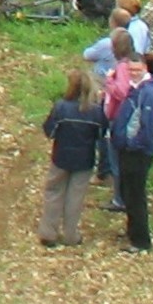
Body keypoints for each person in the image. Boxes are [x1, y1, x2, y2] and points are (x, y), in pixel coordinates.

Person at [39, 63, 107, 246]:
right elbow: (101, 135)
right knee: (75, 197)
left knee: (54, 192)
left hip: (61, 157)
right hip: (84, 160)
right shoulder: (96, 112)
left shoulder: (61, 107)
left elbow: (49, 131)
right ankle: (71, 235)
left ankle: (48, 233)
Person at [107, 55, 153, 252]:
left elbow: (147, 128)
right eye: (130, 70)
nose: (133, 73)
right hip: (126, 149)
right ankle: (133, 231)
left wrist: (132, 144)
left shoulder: (149, 93)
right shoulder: (135, 89)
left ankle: (141, 241)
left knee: (136, 195)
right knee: (128, 193)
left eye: (137, 70)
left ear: (145, 69)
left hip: (138, 153)